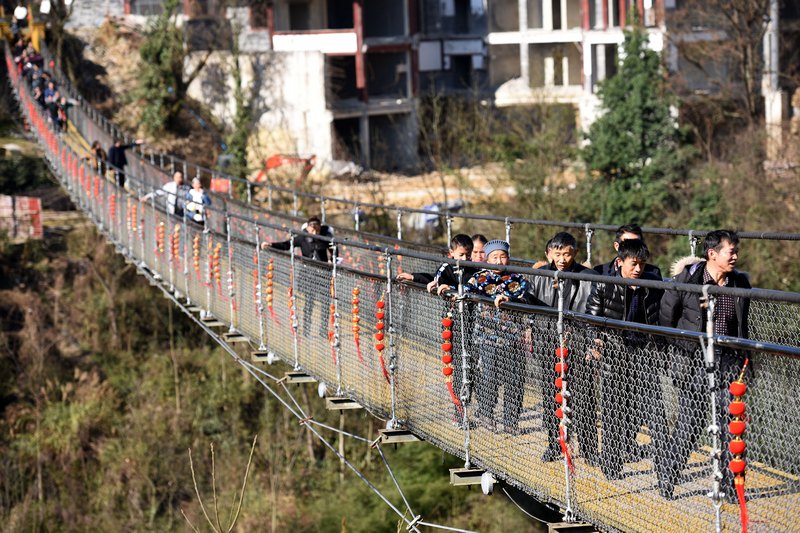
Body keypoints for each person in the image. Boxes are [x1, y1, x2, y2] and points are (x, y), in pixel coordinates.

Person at [658, 229, 751, 501]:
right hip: (694, 361)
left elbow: (744, 324)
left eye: (736, 251)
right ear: (712, 254)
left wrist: (747, 360)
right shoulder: (688, 280)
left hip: (730, 361)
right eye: (730, 252)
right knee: (690, 423)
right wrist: (673, 355)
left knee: (731, 425)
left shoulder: (740, 283)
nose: (735, 256)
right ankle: (668, 476)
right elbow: (667, 316)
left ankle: (730, 487)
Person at [584, 239, 669, 481]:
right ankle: (611, 467)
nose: (638, 270)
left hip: (644, 353)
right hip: (614, 353)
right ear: (620, 262)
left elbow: (660, 318)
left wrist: (662, 352)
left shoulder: (652, 284)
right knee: (613, 412)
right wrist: (595, 341)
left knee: (656, 414)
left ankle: (665, 474)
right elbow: (592, 317)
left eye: (642, 264)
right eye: (633, 264)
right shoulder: (605, 284)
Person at [514, 232, 597, 463]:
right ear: (548, 253)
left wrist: (591, 339)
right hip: (547, 340)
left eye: (567, 254)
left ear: (575, 254)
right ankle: (555, 444)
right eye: (557, 254)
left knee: (584, 397)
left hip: (578, 341)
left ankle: (589, 450)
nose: (562, 259)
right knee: (551, 395)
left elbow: (593, 310)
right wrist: (510, 302)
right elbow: (527, 301)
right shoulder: (539, 276)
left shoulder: (589, 277)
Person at [458, 240, 530, 434]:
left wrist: (510, 299)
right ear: (487, 259)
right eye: (494, 257)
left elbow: (527, 298)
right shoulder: (478, 278)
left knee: (515, 380)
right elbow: (462, 294)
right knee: (489, 377)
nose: (499, 261)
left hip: (513, 337)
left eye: (503, 256)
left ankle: (510, 422)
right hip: (487, 337)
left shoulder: (517, 277)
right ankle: (486, 414)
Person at [263, 216, 334, 336]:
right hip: (308, 274)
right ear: (307, 227)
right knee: (309, 302)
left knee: (325, 303)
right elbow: (287, 245)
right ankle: (306, 329)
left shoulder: (325, 238)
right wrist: (270, 244)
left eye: (317, 227)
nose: (314, 230)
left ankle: (323, 331)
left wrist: (332, 259)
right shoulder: (302, 238)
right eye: (312, 227)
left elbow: (333, 249)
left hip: (323, 274)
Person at [593, 224, 662, 279]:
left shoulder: (653, 273)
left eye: (637, 243)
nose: (633, 247)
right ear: (616, 246)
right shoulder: (599, 271)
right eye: (627, 243)